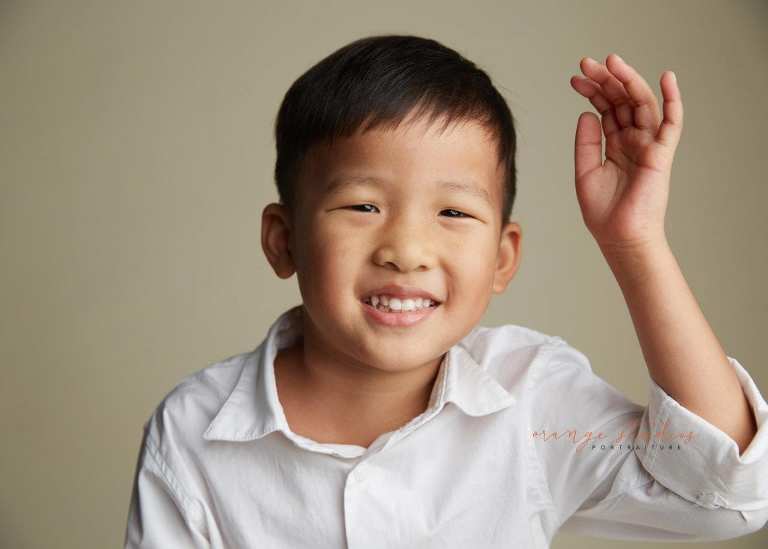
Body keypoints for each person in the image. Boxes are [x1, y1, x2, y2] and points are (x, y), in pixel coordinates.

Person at [123, 34, 768, 548]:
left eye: (453, 214)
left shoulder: (531, 402)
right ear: (282, 240)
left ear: (501, 259)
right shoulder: (194, 432)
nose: (405, 250)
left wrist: (635, 243)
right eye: (361, 205)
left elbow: (725, 494)